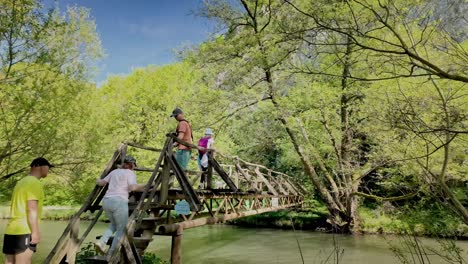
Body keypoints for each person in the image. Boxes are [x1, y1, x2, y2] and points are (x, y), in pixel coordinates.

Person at [3, 157, 53, 264]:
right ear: (39, 166)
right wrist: (35, 232)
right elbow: (31, 208)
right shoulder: (34, 183)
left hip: (11, 229)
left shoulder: (21, 182)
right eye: (48, 167)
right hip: (24, 230)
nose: (48, 169)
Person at [94, 156, 147, 256]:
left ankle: (101, 242)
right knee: (121, 229)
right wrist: (147, 184)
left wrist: (97, 180)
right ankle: (111, 253)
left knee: (114, 225)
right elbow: (133, 187)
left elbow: (101, 183)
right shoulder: (130, 173)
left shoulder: (114, 172)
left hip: (106, 201)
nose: (134, 168)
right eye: (133, 165)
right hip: (119, 201)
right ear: (131, 165)